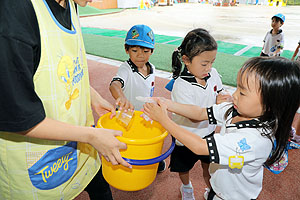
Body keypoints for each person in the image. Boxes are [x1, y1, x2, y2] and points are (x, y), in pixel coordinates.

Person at [0, 0, 131, 200]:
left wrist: (91, 95)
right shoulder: (14, 12)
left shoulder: (71, 2)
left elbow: (57, 64)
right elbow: (17, 115)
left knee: (101, 188)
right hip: (38, 162)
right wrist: (92, 136)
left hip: (79, 143)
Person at [143, 57, 300, 200]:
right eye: (237, 88)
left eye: (243, 92)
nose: (235, 95)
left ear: (271, 105)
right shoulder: (234, 109)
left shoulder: (255, 140)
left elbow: (200, 146)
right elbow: (200, 112)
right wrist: (167, 103)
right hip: (220, 186)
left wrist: (164, 120)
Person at [165, 28, 231, 200]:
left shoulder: (213, 74)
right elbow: (194, 115)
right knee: (183, 168)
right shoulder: (181, 85)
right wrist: (216, 104)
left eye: (212, 62)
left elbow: (220, 91)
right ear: (186, 60)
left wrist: (224, 96)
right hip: (185, 137)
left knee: (209, 166)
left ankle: (211, 188)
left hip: (208, 134)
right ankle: (186, 187)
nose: (209, 68)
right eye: (204, 64)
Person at [109, 24, 166, 172]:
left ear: (152, 51)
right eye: (134, 50)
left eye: (145, 51)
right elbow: (115, 84)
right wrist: (121, 98)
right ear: (126, 49)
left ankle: (152, 159)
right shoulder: (126, 69)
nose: (140, 55)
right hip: (127, 114)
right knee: (127, 140)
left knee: (147, 138)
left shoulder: (152, 67)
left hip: (145, 114)